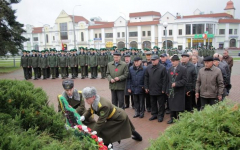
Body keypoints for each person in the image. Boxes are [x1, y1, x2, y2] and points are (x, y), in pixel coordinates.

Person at [144, 55, 167, 122]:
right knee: (153, 103)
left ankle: (160, 115)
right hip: (151, 88)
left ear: (158, 60)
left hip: (160, 89)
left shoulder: (162, 68)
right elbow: (146, 78)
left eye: (154, 60)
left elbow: (165, 79)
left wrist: (163, 89)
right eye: (152, 60)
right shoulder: (149, 67)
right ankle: (154, 114)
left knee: (161, 104)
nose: (153, 61)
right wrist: (146, 87)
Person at [166, 55, 187, 124]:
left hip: (179, 91)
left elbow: (184, 80)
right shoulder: (170, 69)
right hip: (171, 91)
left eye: (174, 61)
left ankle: (179, 119)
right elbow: (168, 81)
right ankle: (172, 118)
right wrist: (168, 90)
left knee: (178, 106)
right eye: (172, 61)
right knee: (171, 105)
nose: (173, 63)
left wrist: (176, 84)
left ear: (178, 61)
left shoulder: (183, 69)